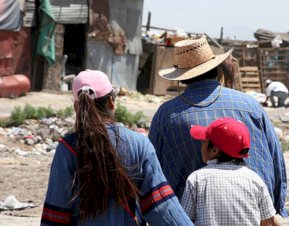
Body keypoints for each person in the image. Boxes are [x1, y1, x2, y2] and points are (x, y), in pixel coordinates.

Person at [149, 36, 289, 218]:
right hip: (254, 213)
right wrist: (276, 207)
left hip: (187, 218)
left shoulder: (168, 114)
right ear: (216, 69)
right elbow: (275, 160)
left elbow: (151, 169)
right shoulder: (251, 106)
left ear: (182, 78)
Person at [41, 70, 193, 226]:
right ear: (111, 103)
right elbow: (162, 206)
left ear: (76, 107)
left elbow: (56, 213)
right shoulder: (139, 144)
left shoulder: (67, 149)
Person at [181, 117, 279, 226]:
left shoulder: (196, 179)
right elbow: (266, 222)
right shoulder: (254, 179)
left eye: (204, 142)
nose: (201, 146)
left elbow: (184, 220)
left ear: (214, 149)